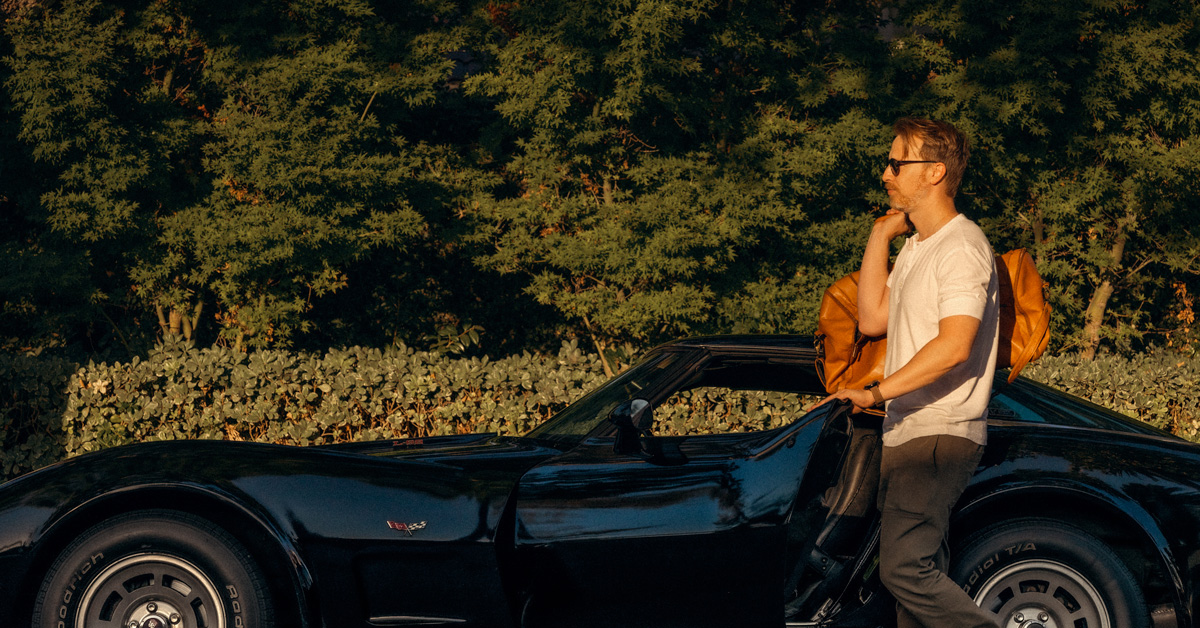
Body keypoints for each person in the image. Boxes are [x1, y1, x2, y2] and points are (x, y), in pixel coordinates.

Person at [815, 117, 1000, 628]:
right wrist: (880, 233)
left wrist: (876, 392)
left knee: (903, 569)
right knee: (914, 588)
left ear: (935, 172)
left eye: (898, 162)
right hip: (909, 431)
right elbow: (873, 318)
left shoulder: (961, 246)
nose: (886, 174)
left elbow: (955, 345)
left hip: (938, 432)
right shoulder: (920, 248)